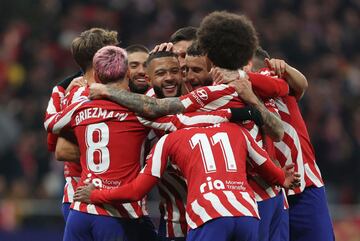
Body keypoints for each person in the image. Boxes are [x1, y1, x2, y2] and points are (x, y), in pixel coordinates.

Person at [44, 45, 256, 241]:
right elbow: (185, 121)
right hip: (118, 212)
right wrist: (238, 113)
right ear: (127, 73)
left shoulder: (80, 107)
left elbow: (51, 122)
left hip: (80, 211)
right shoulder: (137, 113)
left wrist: (60, 90)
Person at [74, 122, 301, 241]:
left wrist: (94, 195)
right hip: (247, 214)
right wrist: (285, 178)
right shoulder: (237, 130)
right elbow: (269, 169)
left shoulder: (169, 139)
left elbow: (135, 191)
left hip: (209, 214)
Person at [44, 27, 119, 221]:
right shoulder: (86, 95)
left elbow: (53, 143)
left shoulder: (69, 90)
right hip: (88, 199)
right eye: (115, 55)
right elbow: (61, 150)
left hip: (92, 199)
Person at [260, 55, 335, 241]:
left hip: (304, 184)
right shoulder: (232, 91)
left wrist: (284, 67)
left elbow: (302, 84)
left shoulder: (276, 82)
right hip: (267, 190)